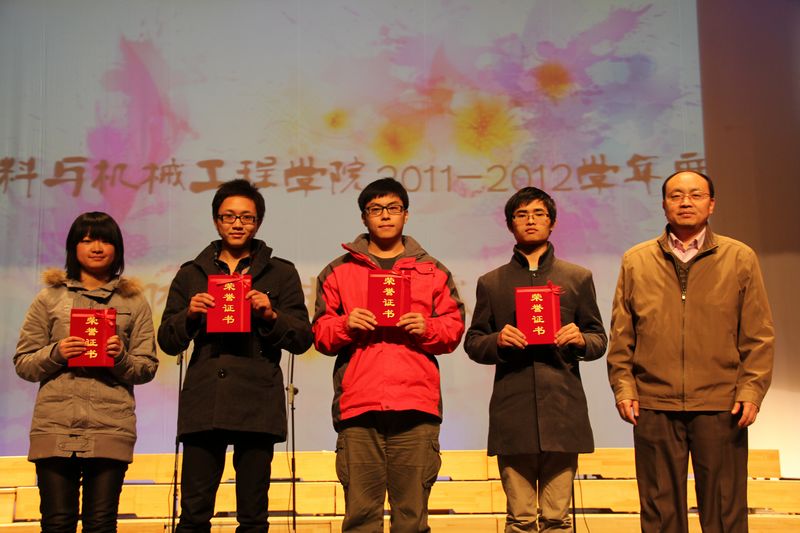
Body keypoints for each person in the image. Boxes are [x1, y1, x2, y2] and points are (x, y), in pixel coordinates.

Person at [607, 170, 775, 533]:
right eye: (676, 195)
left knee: (725, 511)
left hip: (721, 403)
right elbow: (622, 336)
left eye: (696, 195)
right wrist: (624, 388)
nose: (686, 202)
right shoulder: (637, 260)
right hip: (654, 403)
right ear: (664, 204)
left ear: (711, 204)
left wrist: (751, 391)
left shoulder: (739, 257)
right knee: (660, 513)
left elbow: (758, 335)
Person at [158, 179, 313, 533]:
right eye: (229, 216)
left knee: (253, 516)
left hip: (257, 400)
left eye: (247, 217)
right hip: (204, 399)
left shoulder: (281, 272)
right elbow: (167, 341)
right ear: (216, 220)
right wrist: (190, 316)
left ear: (258, 222)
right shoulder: (191, 273)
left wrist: (270, 315)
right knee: (194, 514)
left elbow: (303, 338)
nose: (237, 224)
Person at [312, 177, 465, 532]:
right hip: (358, 407)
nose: (385, 216)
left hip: (416, 407)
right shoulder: (338, 271)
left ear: (406, 215)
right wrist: (346, 324)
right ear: (364, 217)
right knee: (361, 518)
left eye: (393, 208)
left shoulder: (433, 270)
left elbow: (453, 329)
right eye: (375, 209)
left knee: (411, 518)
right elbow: (319, 334)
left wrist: (427, 327)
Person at [464, 187, 607, 532]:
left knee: (557, 519)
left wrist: (580, 339)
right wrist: (498, 340)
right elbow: (474, 342)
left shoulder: (577, 278)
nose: (530, 220)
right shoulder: (492, 283)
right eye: (521, 214)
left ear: (552, 222)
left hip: (563, 410)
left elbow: (599, 338)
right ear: (510, 224)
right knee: (520, 519)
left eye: (539, 214)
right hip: (512, 413)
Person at [13, 211, 158, 533]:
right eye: (88, 240)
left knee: (101, 524)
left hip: (111, 425)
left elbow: (147, 367)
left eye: (105, 240)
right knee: (57, 523)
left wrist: (120, 358)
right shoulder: (49, 298)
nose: (97, 247)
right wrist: (57, 352)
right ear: (73, 247)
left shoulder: (133, 302)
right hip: (55, 424)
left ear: (118, 248)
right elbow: (24, 363)